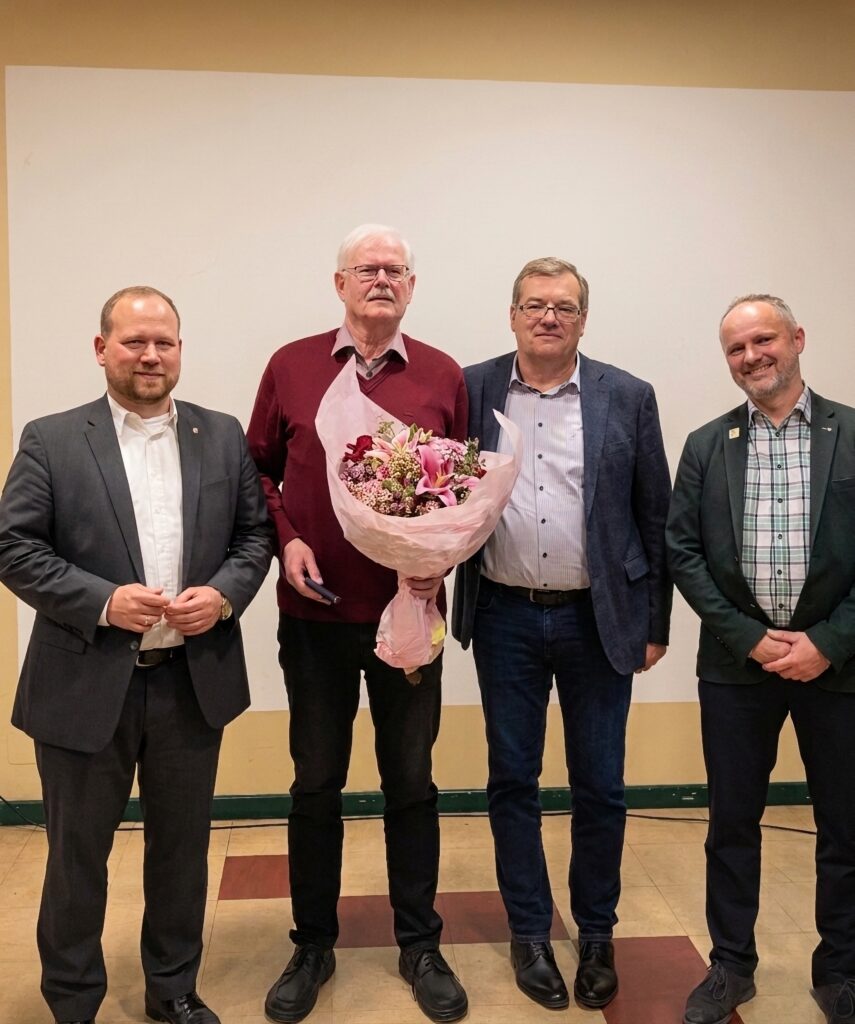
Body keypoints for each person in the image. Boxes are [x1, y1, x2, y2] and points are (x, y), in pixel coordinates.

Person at [0, 286, 272, 1024]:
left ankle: (172, 989)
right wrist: (102, 602)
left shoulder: (220, 435)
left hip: (190, 683)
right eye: (134, 342)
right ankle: (73, 1002)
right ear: (102, 349)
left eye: (164, 342)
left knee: (181, 852)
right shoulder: (53, 439)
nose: (151, 356)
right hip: (85, 684)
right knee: (77, 858)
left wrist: (222, 596)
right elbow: (14, 547)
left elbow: (254, 538)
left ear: (180, 350)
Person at [247, 225, 469, 1024]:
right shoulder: (290, 365)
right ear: (339, 283)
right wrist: (287, 539)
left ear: (411, 285)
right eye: (365, 269)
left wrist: (440, 561)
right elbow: (256, 471)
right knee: (316, 781)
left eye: (394, 269)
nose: (381, 279)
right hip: (315, 617)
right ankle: (312, 944)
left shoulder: (442, 373)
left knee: (410, 781)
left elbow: (460, 487)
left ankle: (420, 943)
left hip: (408, 615)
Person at [451, 257, 672, 1011]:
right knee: (512, 779)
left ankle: (597, 931)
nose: (549, 317)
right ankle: (529, 932)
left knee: (599, 784)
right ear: (512, 314)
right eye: (535, 304)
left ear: (583, 319)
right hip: (505, 614)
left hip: (597, 618)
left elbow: (653, 514)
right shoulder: (471, 389)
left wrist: (654, 622)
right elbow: (439, 491)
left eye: (565, 307)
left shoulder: (627, 395)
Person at [667, 294, 855, 1024]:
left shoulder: (851, 433)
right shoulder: (706, 445)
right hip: (735, 667)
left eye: (763, 340)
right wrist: (745, 634)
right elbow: (682, 551)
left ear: (797, 338)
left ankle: (840, 970)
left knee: (844, 825)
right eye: (736, 348)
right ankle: (730, 965)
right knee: (732, 822)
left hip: (838, 667)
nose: (751, 357)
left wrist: (828, 643)